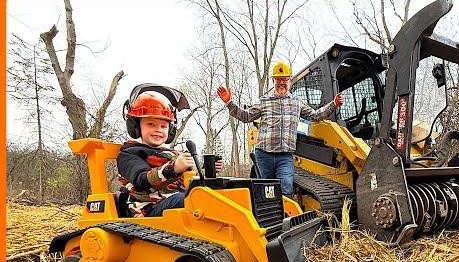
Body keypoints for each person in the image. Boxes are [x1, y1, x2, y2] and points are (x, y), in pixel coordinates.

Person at [217, 61, 343, 197]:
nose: (281, 83)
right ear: (273, 80)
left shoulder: (296, 102)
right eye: (278, 80)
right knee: (265, 192)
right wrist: (230, 103)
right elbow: (246, 116)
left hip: (285, 156)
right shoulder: (264, 101)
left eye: (284, 80)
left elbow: (315, 115)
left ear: (289, 81)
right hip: (264, 155)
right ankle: (266, 217)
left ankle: (283, 217)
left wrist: (333, 104)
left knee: (286, 190)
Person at [117, 86, 221, 217]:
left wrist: (207, 172)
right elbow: (141, 181)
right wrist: (174, 168)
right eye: (151, 124)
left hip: (173, 205)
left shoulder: (173, 154)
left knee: (214, 195)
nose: (158, 130)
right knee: (186, 199)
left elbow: (188, 182)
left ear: (170, 130)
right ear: (136, 126)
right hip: (147, 210)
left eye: (163, 126)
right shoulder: (129, 153)